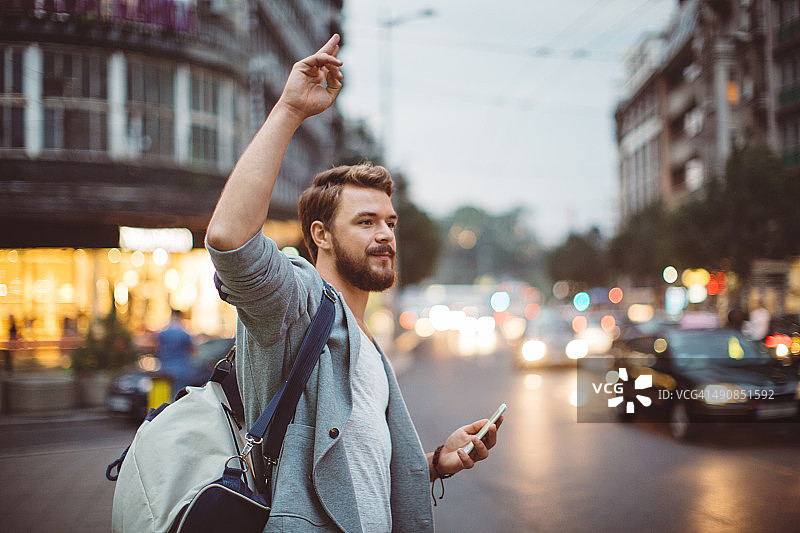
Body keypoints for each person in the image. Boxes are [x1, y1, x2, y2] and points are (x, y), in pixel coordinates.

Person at [206, 34, 502, 532]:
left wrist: (432, 462)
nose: (385, 234)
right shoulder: (296, 302)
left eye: (390, 222)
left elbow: (353, 474)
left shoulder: (364, 339)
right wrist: (289, 110)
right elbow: (229, 237)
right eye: (365, 222)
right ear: (320, 235)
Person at [156, 309, 194, 395]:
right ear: (181, 316)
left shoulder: (163, 333)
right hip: (181, 369)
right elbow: (192, 350)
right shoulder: (184, 334)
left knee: (165, 394)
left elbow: (157, 348)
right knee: (178, 395)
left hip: (165, 368)